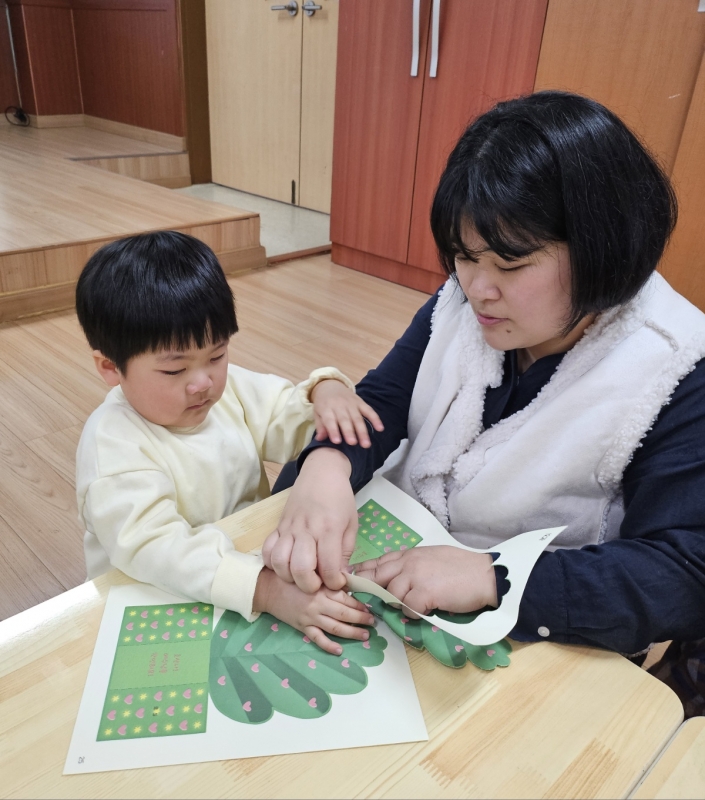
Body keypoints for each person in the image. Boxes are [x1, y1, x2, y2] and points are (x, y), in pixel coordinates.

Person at [262, 91, 705, 689]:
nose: (477, 289)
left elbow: (682, 570)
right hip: (406, 582)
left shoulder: (675, 366)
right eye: (463, 257)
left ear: (602, 248)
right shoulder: (463, 297)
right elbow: (384, 400)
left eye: (510, 265)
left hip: (546, 637)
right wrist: (327, 465)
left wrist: (493, 577)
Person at [75, 230, 380, 654]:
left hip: (247, 567)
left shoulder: (228, 389)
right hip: (157, 598)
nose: (203, 382)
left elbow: (285, 417)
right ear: (111, 367)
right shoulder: (112, 446)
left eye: (216, 356)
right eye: (174, 370)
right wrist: (266, 590)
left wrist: (325, 391)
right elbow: (157, 550)